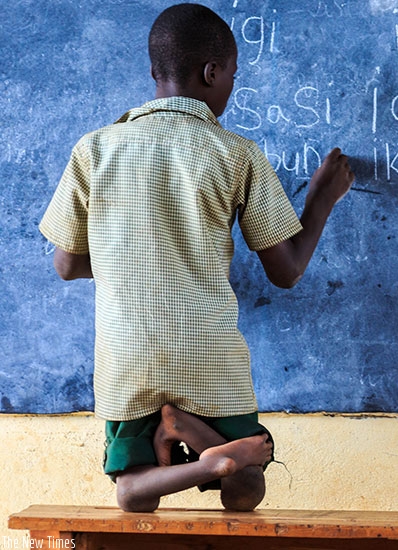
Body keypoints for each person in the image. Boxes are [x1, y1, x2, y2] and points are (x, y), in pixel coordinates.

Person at [38, 3, 353, 513]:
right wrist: (321, 197)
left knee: (133, 496)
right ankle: (204, 445)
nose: (232, 83)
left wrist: (135, 256)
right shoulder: (236, 154)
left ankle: (191, 450)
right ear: (212, 72)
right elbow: (287, 270)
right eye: (232, 74)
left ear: (153, 73)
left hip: (127, 360)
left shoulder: (93, 149)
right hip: (210, 360)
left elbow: (67, 264)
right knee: (247, 491)